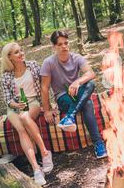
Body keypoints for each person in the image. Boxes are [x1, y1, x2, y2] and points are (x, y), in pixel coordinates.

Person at [40, 30, 107, 159]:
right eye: (59, 44)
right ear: (54, 47)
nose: (64, 46)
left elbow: (91, 74)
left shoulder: (76, 58)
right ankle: (98, 143)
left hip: (77, 93)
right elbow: (44, 87)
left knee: (91, 84)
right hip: (62, 97)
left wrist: (77, 81)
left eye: (66, 43)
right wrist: (47, 110)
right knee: (87, 103)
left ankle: (69, 117)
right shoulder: (48, 62)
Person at [0, 43, 54, 186]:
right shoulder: (6, 76)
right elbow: (7, 98)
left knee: (24, 117)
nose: (21, 53)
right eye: (16, 52)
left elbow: (44, 86)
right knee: (21, 130)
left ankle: (44, 152)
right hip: (15, 107)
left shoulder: (33, 66)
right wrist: (15, 105)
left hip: (33, 102)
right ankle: (36, 169)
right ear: (9, 57)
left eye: (21, 50)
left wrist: (49, 106)